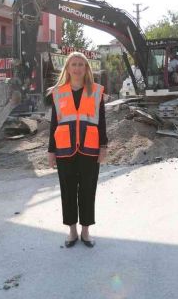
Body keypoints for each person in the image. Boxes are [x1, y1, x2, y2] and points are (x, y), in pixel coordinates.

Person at [47, 52, 107, 248]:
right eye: (73, 64)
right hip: (64, 149)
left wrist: (103, 146)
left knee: (88, 190)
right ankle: (72, 230)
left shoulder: (96, 91)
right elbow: (54, 123)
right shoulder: (58, 92)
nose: (77, 68)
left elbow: (102, 122)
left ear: (86, 68)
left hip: (90, 148)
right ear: (67, 68)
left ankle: (85, 231)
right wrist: (51, 150)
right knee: (68, 190)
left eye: (81, 64)